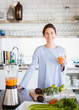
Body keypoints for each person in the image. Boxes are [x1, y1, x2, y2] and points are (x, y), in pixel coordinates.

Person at [18, 23, 66, 90]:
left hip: (58, 85)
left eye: (52, 33)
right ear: (44, 35)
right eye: (47, 33)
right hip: (44, 85)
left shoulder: (62, 50)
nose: (49, 36)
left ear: (55, 34)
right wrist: (22, 84)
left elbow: (64, 70)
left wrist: (63, 65)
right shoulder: (39, 50)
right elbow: (31, 68)